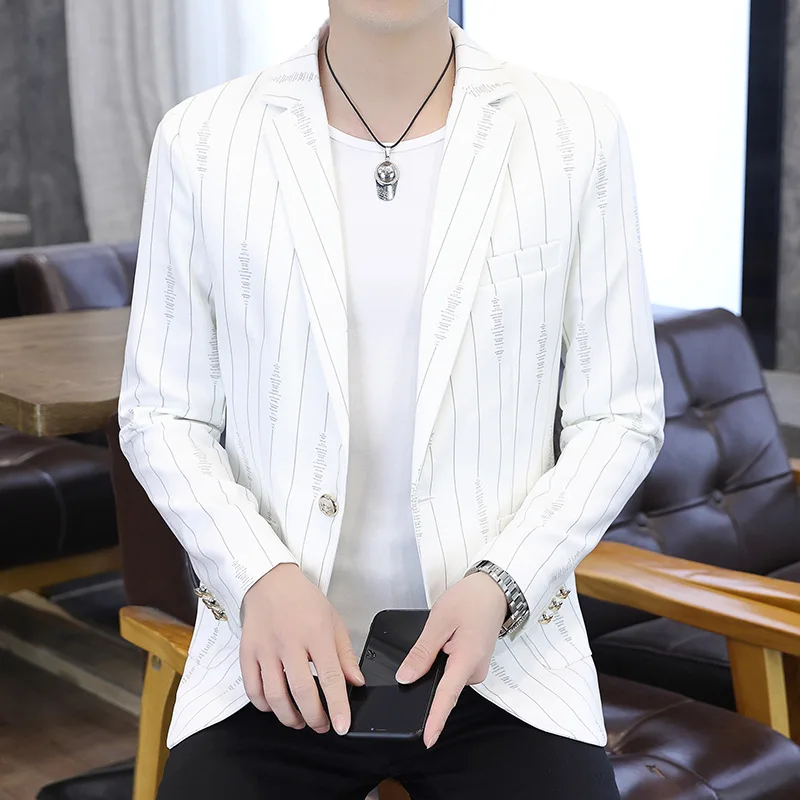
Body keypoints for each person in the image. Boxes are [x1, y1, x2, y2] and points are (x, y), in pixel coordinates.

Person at [118, 2, 665, 798]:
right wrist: (260, 575)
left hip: (505, 661)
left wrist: (503, 584)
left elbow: (620, 414)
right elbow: (162, 414)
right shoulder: (202, 140)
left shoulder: (574, 131)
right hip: (272, 654)